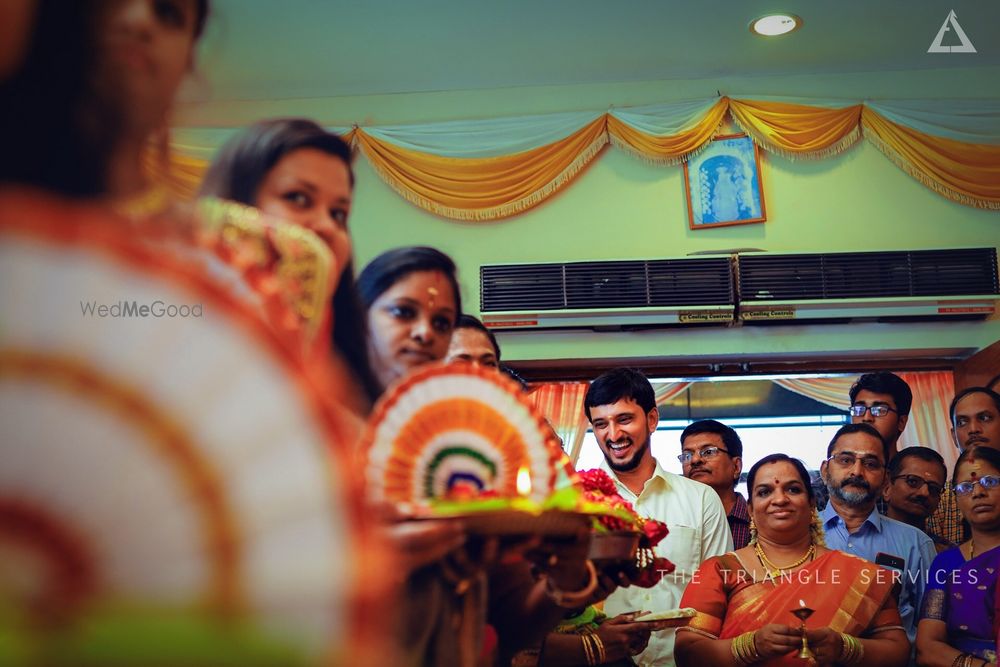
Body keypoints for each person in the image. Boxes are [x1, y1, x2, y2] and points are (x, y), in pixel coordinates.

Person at [198, 118, 380, 404]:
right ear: (238, 206)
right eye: (298, 198)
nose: (326, 226)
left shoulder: (350, 376)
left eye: (339, 214)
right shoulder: (186, 342)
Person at [675, 453, 910, 667]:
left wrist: (845, 648)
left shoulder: (858, 573)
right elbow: (688, 652)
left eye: (793, 490)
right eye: (764, 492)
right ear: (750, 510)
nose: (780, 499)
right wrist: (750, 646)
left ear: (811, 504)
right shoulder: (720, 569)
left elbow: (897, 650)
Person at [584, 368, 732, 666]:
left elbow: (722, 594)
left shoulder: (701, 499)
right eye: (601, 424)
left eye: (624, 419)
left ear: (652, 419)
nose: (613, 435)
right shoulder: (577, 500)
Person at [820, 423, 937, 644]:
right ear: (825, 471)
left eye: (870, 464)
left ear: (885, 479)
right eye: (845, 460)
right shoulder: (795, 534)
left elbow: (931, 628)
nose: (856, 471)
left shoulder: (916, 543)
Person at [917, 445, 1000, 666]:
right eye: (965, 487)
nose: (978, 492)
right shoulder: (946, 564)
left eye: (990, 482)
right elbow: (927, 647)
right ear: (955, 500)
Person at [357, 245, 462, 392]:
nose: (425, 333)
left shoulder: (457, 411)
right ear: (361, 316)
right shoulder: (319, 407)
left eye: (441, 323)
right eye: (404, 312)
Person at [928, 388, 1000, 553]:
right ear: (953, 436)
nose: (973, 429)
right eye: (962, 422)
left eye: (985, 418)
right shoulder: (940, 498)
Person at [679, 419, 751, 549]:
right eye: (687, 455)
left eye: (708, 452)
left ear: (736, 467)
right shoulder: (674, 519)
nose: (695, 460)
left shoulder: (757, 521)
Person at [882, 447, 954, 552]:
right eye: (913, 482)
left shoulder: (947, 555)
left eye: (933, 488)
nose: (924, 493)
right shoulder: (857, 540)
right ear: (887, 485)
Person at [849, 372, 912, 463]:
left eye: (879, 410)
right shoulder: (842, 473)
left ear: (901, 422)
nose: (867, 418)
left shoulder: (910, 473)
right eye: (859, 409)